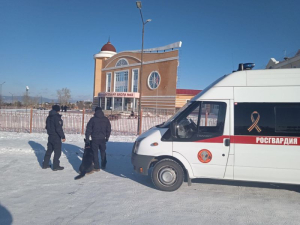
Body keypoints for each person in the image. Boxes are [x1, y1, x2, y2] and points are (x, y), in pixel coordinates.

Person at [85, 106, 111, 171]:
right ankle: (103, 164)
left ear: (95, 111)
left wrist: (87, 139)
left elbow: (88, 130)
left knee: (95, 152)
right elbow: (108, 129)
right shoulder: (106, 119)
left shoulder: (93, 119)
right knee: (103, 151)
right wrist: (107, 137)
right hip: (103, 138)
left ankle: (97, 167)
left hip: (94, 139)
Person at [42, 105, 66, 171]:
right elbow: (58, 128)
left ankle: (45, 164)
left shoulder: (49, 117)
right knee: (57, 152)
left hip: (50, 136)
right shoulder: (57, 117)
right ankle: (56, 166)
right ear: (57, 110)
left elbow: (47, 127)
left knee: (49, 151)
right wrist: (63, 136)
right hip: (56, 137)